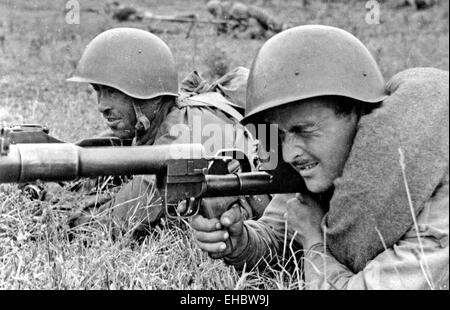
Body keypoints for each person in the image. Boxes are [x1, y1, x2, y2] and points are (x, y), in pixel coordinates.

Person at [189, 25, 449, 289]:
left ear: (359, 114)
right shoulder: (325, 165)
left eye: (305, 130)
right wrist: (242, 243)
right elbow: (278, 234)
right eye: (280, 136)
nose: (290, 153)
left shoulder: (435, 198)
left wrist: (314, 243)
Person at [67, 27, 267, 239]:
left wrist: (55, 212)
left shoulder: (180, 138)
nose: (102, 106)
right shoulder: (152, 120)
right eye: (97, 90)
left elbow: (106, 226)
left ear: (145, 93)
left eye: (112, 92)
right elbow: (90, 152)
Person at [206, 0, 288, 39]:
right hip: (244, 23)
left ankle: (281, 29)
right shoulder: (223, 10)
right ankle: (280, 30)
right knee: (261, 27)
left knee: (266, 21)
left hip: (244, 17)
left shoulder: (228, 8)